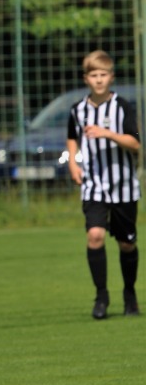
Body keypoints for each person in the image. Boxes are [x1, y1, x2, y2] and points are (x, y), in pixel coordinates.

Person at [66, 50, 141, 319]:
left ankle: (129, 293)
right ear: (86, 78)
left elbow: (135, 143)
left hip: (123, 187)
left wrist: (107, 133)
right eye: (94, 75)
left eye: (103, 74)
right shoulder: (78, 109)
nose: (98, 80)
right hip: (93, 185)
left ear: (112, 77)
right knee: (95, 235)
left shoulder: (122, 107)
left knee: (126, 244)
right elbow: (72, 137)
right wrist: (73, 163)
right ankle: (101, 297)